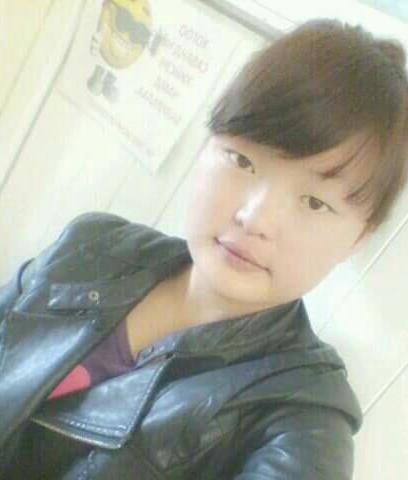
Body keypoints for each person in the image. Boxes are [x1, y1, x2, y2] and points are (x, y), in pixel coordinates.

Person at [1, 18, 408, 479]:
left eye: (314, 202)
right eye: (242, 160)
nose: (255, 218)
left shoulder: (302, 425)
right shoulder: (92, 245)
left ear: (359, 238)